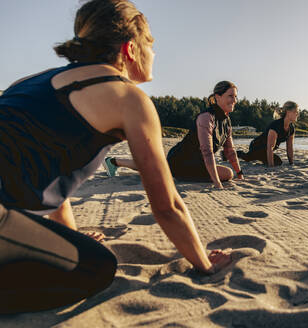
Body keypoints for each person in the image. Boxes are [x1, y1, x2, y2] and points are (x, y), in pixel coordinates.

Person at [0, 0, 230, 314]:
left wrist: (67, 237)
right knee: (97, 266)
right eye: (151, 43)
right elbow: (167, 206)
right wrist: (204, 263)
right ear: (130, 49)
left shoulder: (27, 83)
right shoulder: (128, 98)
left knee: (80, 250)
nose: (155, 52)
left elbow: (54, 177)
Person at [164, 81, 244, 189]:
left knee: (150, 165)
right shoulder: (206, 117)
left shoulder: (227, 121)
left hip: (198, 163)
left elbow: (230, 151)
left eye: (235, 96)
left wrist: (240, 175)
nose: (234, 100)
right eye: (230, 96)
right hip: (180, 161)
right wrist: (217, 183)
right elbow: (207, 151)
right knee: (228, 173)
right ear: (217, 97)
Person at [237, 101, 298, 167]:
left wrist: (291, 163)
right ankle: (236, 153)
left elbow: (289, 147)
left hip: (266, 151)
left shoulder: (291, 128)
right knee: (247, 158)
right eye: (295, 112)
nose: (297, 114)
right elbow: (270, 147)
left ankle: (259, 157)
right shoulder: (276, 125)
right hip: (257, 146)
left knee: (278, 162)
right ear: (288, 112)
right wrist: (271, 167)